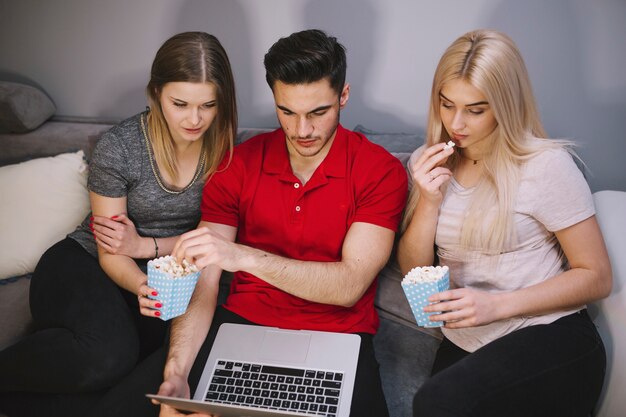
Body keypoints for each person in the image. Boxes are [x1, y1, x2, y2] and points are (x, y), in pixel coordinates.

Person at [98, 29, 407, 417]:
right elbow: (205, 281)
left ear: (342, 96)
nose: (302, 130)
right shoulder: (238, 163)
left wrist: (243, 257)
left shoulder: (380, 171)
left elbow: (348, 286)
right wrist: (177, 372)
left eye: (318, 112)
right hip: (241, 326)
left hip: (338, 337)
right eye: (287, 112)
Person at [0, 31, 237, 417]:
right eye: (180, 104)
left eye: (208, 105)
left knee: (170, 361)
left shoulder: (225, 151)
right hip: (84, 262)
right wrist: (142, 283)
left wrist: (147, 247)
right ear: (156, 93)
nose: (195, 120)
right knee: (110, 355)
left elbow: (212, 240)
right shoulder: (121, 146)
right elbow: (112, 248)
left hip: (157, 272)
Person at [397, 29, 611, 417]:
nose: (456, 123)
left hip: (550, 333)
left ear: (505, 105)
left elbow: (596, 276)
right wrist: (428, 201)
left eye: (476, 110)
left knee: (437, 403)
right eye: (446, 104)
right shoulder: (427, 162)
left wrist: (497, 305)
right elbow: (414, 272)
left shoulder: (546, 166)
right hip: (468, 341)